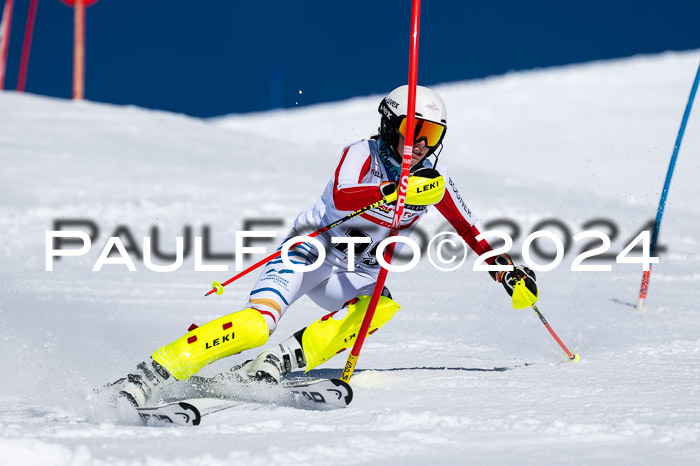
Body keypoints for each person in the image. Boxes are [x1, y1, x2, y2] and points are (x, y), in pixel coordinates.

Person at [109, 85, 538, 407]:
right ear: (390, 125)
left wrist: (506, 271)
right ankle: (153, 372)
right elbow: (342, 194)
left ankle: (278, 362)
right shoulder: (362, 153)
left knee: (379, 306)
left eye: (431, 133)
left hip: (356, 272)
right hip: (311, 252)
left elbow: (471, 230)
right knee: (258, 324)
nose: (421, 142)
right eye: (413, 129)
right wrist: (391, 190)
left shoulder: (432, 183)